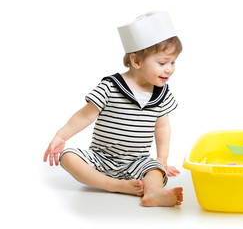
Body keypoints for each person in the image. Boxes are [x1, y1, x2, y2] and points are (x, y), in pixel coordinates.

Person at [43, 11, 183, 207]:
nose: (169, 69)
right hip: (100, 158)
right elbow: (86, 115)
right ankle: (113, 184)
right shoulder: (111, 86)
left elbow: (162, 127)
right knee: (67, 157)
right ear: (136, 61)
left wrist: (162, 159)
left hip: (137, 162)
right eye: (162, 63)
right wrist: (62, 136)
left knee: (154, 170)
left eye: (173, 62)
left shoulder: (162, 93)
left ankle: (154, 193)